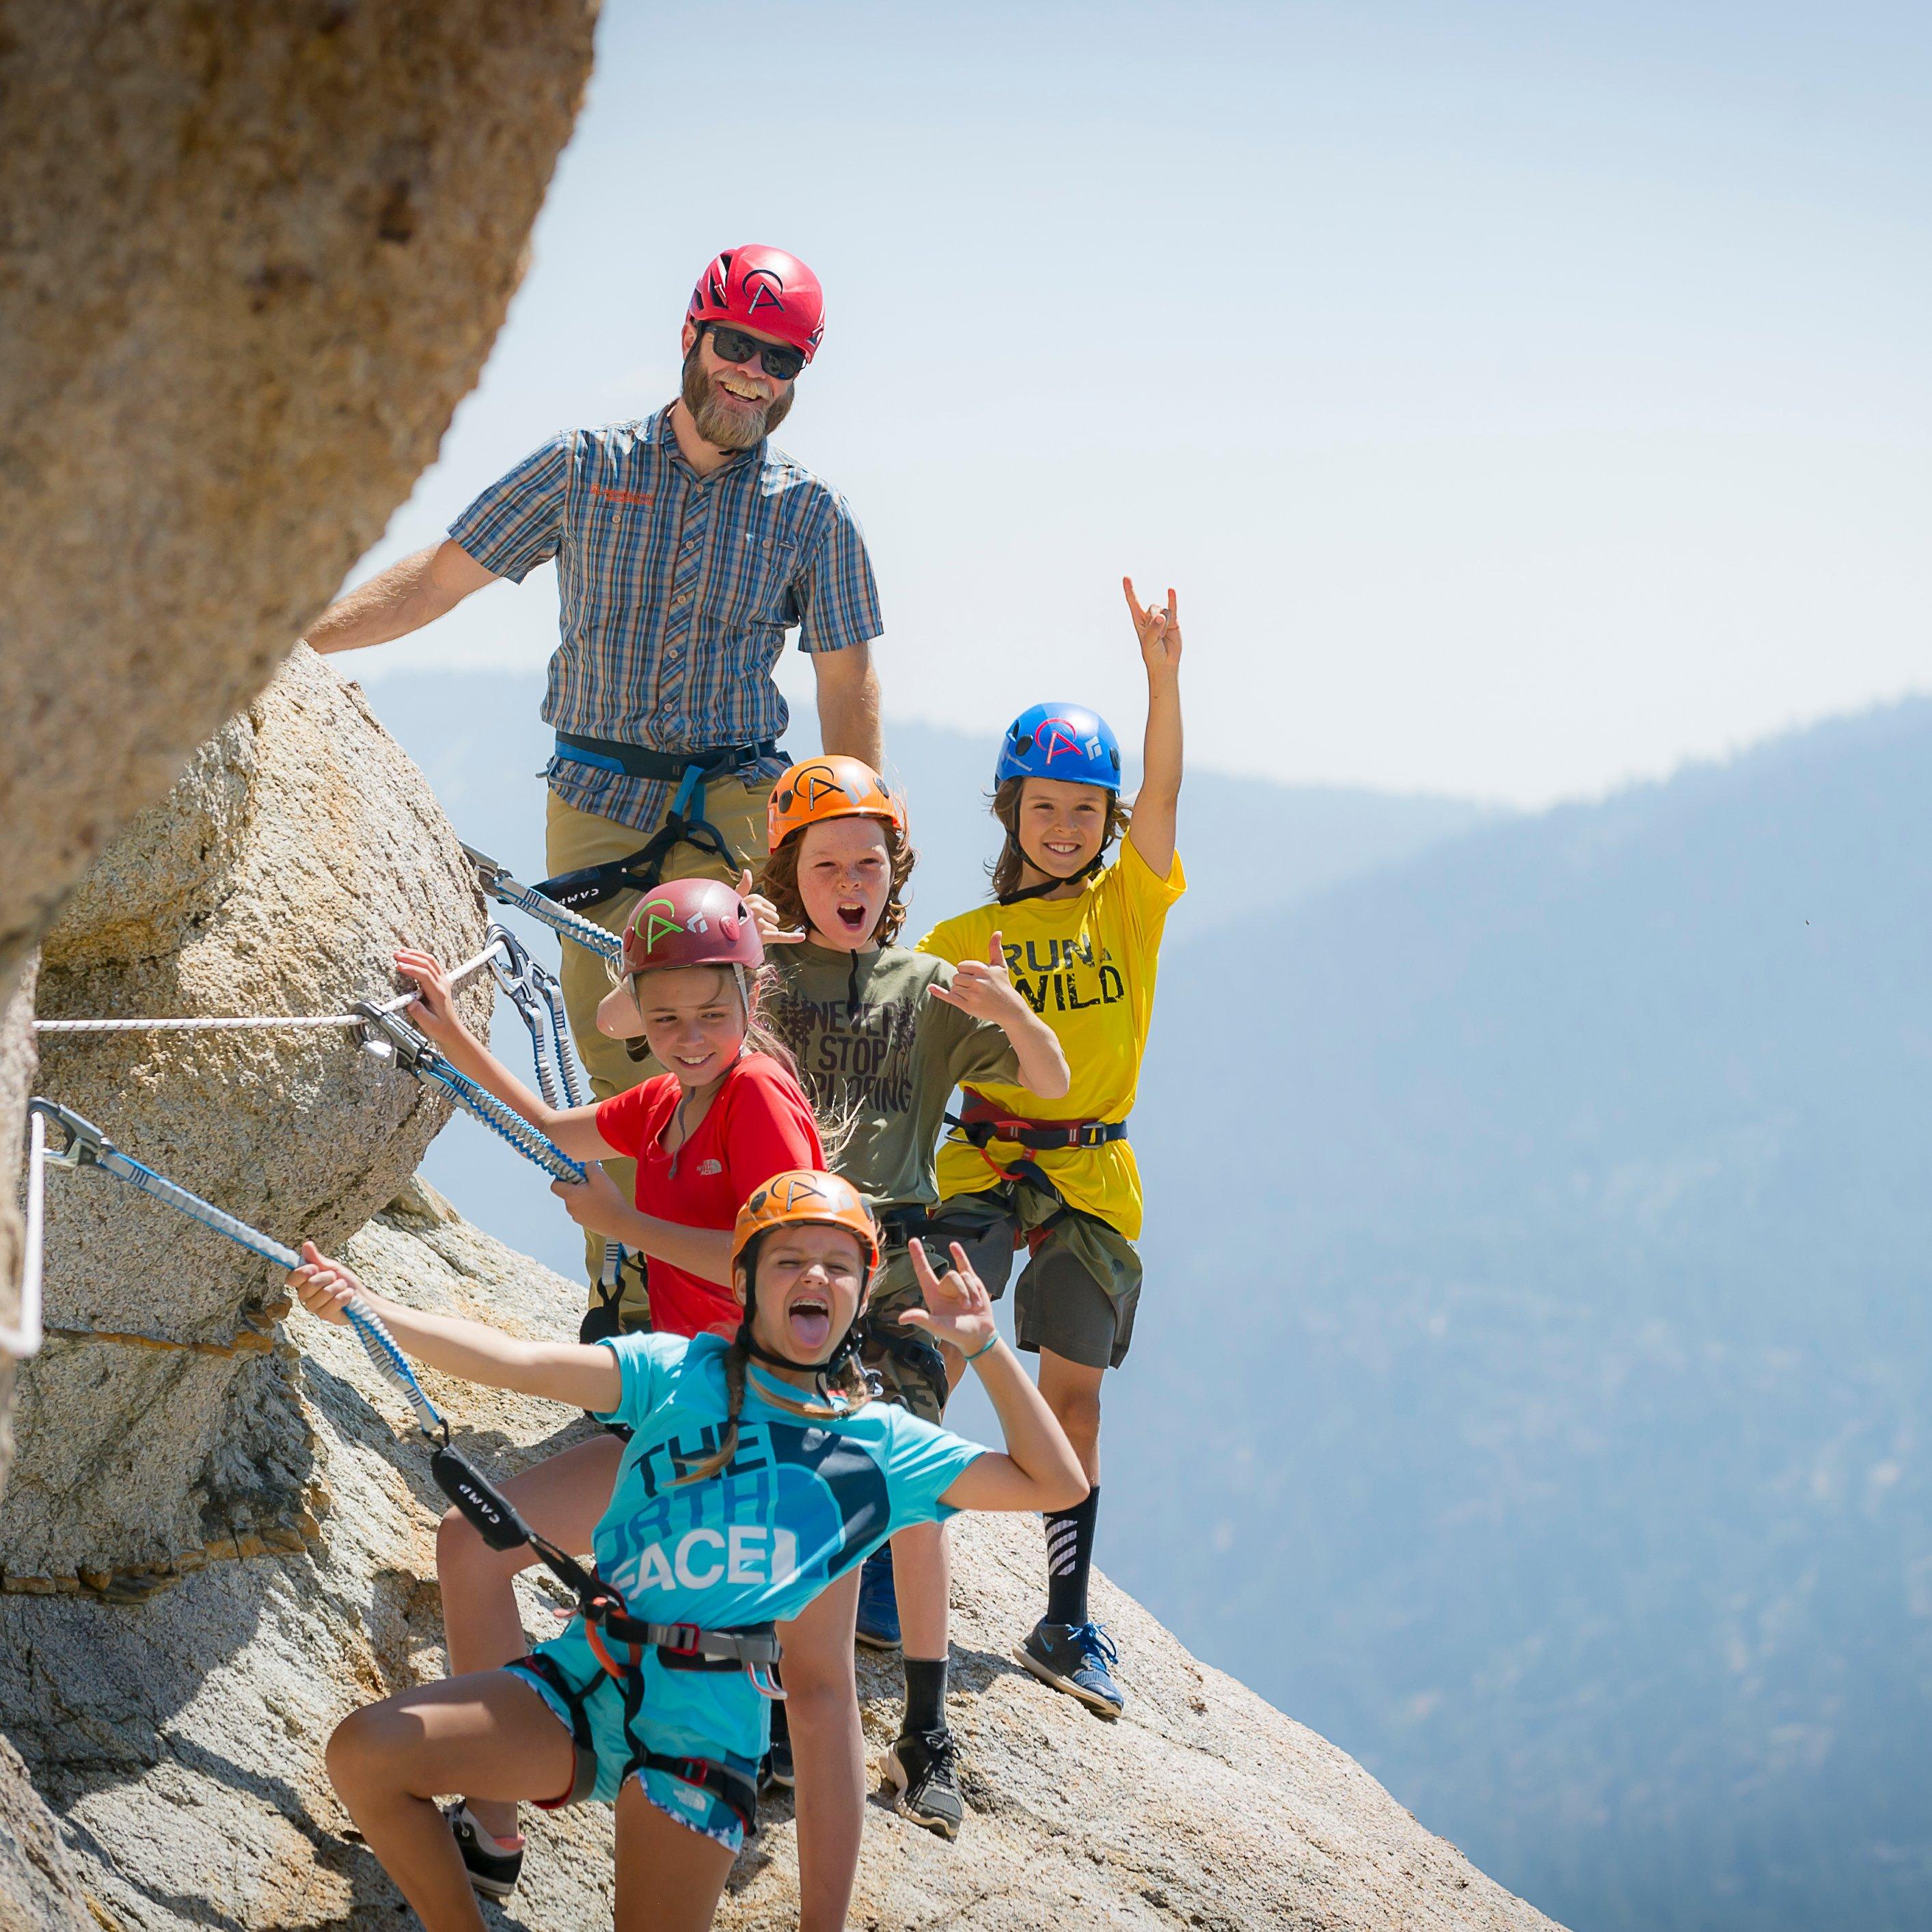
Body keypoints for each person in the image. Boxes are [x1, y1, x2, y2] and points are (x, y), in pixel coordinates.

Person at [303, 243, 884, 1326]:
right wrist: (288, 646)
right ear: (691, 338)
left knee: (728, 1049)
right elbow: (439, 577)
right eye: (736, 346)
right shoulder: (581, 467)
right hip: (599, 799)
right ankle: (627, 1305)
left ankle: (765, 1314)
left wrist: (848, 845)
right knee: (617, 1059)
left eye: (779, 357)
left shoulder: (812, 515)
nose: (753, 372)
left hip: (736, 807)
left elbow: (847, 687)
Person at [295, 1172, 1088, 1932]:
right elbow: (515, 1361)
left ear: (859, 1294)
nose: (814, 1273)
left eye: (838, 1264)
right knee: (367, 1756)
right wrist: (369, 1311)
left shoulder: (880, 1447)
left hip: (704, 1731)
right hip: (583, 1678)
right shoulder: (677, 1370)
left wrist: (986, 1350)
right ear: (744, 1283)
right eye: (788, 1259)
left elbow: (1055, 1483)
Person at [395, 878, 860, 1920]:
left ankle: (501, 1819)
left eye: (710, 1013)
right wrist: (454, 1032)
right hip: (684, 1398)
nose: (688, 1035)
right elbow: (561, 1122)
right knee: (472, 1545)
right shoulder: (675, 1095)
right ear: (638, 1019)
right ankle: (494, 1823)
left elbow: (784, 1261)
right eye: (663, 1018)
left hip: (741, 1421)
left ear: (751, 997)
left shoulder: (755, 1099)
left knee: (477, 1548)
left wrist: (625, 1224)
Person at [744, 756, 1070, 1838]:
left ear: (895, 870)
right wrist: (726, 938)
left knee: (915, 1477)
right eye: (827, 862)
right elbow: (627, 1010)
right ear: (792, 875)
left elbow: (1051, 1078)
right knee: (792, 1468)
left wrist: (1010, 1011)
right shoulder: (763, 973)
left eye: (869, 862)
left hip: (897, 1261)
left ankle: (925, 1727)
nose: (851, 880)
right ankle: (784, 1713)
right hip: (791, 1249)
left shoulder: (927, 983)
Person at [915, 578, 1186, 1720]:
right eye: (1046, 806)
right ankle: (889, 1577)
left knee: (1070, 1405)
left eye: (1086, 809)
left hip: (1088, 1174)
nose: (1066, 826)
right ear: (1010, 810)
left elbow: (1165, 794)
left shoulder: (1127, 902)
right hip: (981, 1162)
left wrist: (1162, 677)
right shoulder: (957, 939)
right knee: (919, 1359)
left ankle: (1065, 1619)